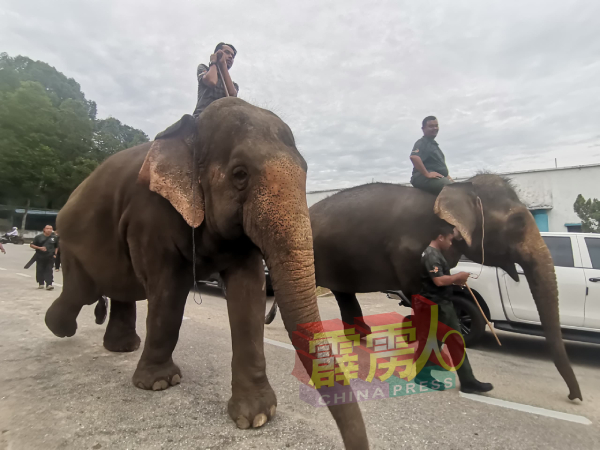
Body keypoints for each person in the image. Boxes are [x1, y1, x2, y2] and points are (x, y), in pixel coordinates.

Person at [419, 226, 493, 394]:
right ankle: (423, 374)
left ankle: (468, 381)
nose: (451, 243)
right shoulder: (431, 255)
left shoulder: (436, 254)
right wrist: (456, 278)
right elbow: (438, 280)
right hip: (435, 305)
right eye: (449, 239)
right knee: (432, 344)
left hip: (445, 304)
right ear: (440, 237)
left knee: (456, 341)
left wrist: (454, 280)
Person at [410, 116, 453, 196]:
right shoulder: (422, 142)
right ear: (423, 129)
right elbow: (414, 157)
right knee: (450, 188)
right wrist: (427, 174)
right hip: (421, 177)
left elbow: (439, 166)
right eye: (431, 126)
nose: (435, 128)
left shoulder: (434, 145)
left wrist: (448, 177)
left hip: (436, 177)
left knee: (457, 187)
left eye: (436, 126)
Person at [192, 42, 238, 118]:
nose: (230, 57)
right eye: (227, 52)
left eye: (232, 56)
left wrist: (223, 65)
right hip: (201, 117)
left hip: (223, 122)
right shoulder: (204, 69)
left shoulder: (234, 85)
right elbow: (211, 81)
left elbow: (232, 96)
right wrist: (214, 62)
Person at [30, 225, 58, 290]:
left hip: (50, 257)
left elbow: (56, 246)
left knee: (49, 270)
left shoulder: (54, 238)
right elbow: (32, 245)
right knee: (40, 270)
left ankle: (49, 284)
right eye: (48, 228)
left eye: (51, 229)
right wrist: (39, 248)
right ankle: (41, 283)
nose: (49, 230)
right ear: (44, 229)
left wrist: (55, 254)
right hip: (40, 256)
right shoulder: (38, 237)